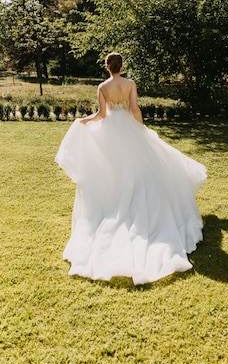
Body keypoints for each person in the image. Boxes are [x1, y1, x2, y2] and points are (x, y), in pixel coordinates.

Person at [55, 52, 207, 285]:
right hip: (128, 128)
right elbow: (134, 109)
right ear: (121, 66)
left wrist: (84, 121)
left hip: (110, 132)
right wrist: (140, 129)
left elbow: (102, 114)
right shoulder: (130, 84)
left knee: (114, 170)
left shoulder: (103, 87)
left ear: (107, 67)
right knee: (138, 168)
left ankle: (117, 202)